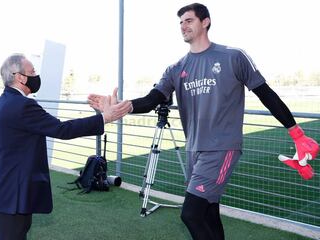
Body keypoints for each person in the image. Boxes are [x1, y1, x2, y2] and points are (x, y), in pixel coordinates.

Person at [88, 3, 319, 240]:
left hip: (222, 147)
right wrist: (122, 107)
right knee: (208, 211)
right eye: (180, 22)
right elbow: (152, 99)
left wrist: (297, 133)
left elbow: (266, 94)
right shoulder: (176, 68)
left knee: (191, 214)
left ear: (205, 22)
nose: (183, 26)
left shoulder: (233, 56)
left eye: (188, 20)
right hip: (194, 149)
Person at [0, 53, 132, 240]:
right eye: (33, 71)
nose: (36, 75)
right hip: (13, 198)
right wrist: (104, 118)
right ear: (20, 77)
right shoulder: (23, 106)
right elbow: (62, 130)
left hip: (1, 193)